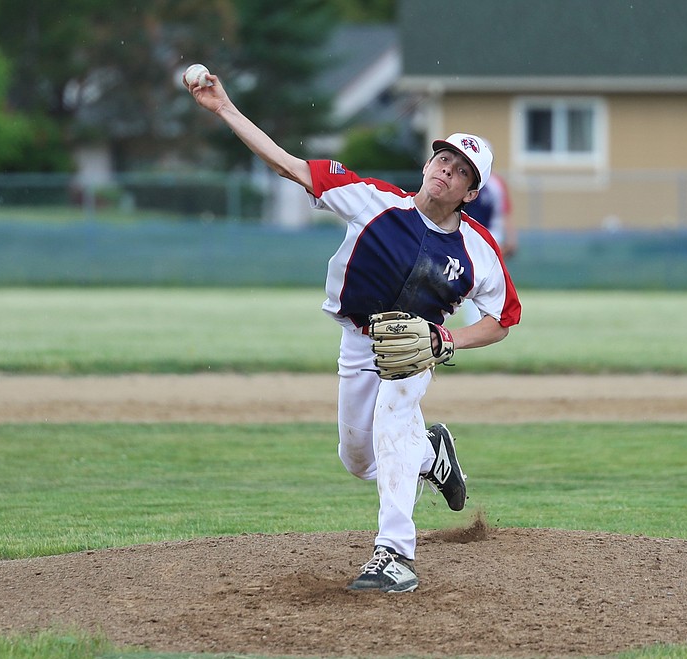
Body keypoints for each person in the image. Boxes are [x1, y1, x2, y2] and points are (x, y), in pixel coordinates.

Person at [187, 70, 521, 593]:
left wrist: (446, 341)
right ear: (428, 164)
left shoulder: (479, 250)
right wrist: (224, 107)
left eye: (461, 172)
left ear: (471, 192)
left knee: (394, 419)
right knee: (359, 459)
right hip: (360, 341)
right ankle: (433, 455)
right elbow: (288, 165)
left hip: (417, 349)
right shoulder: (373, 201)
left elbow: (502, 321)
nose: (447, 172)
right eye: (443, 160)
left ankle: (395, 556)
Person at [461, 170, 515, 324]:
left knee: (484, 279)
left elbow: (504, 213)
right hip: (463, 233)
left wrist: (508, 238)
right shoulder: (464, 179)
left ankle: (487, 319)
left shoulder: (495, 184)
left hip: (489, 235)